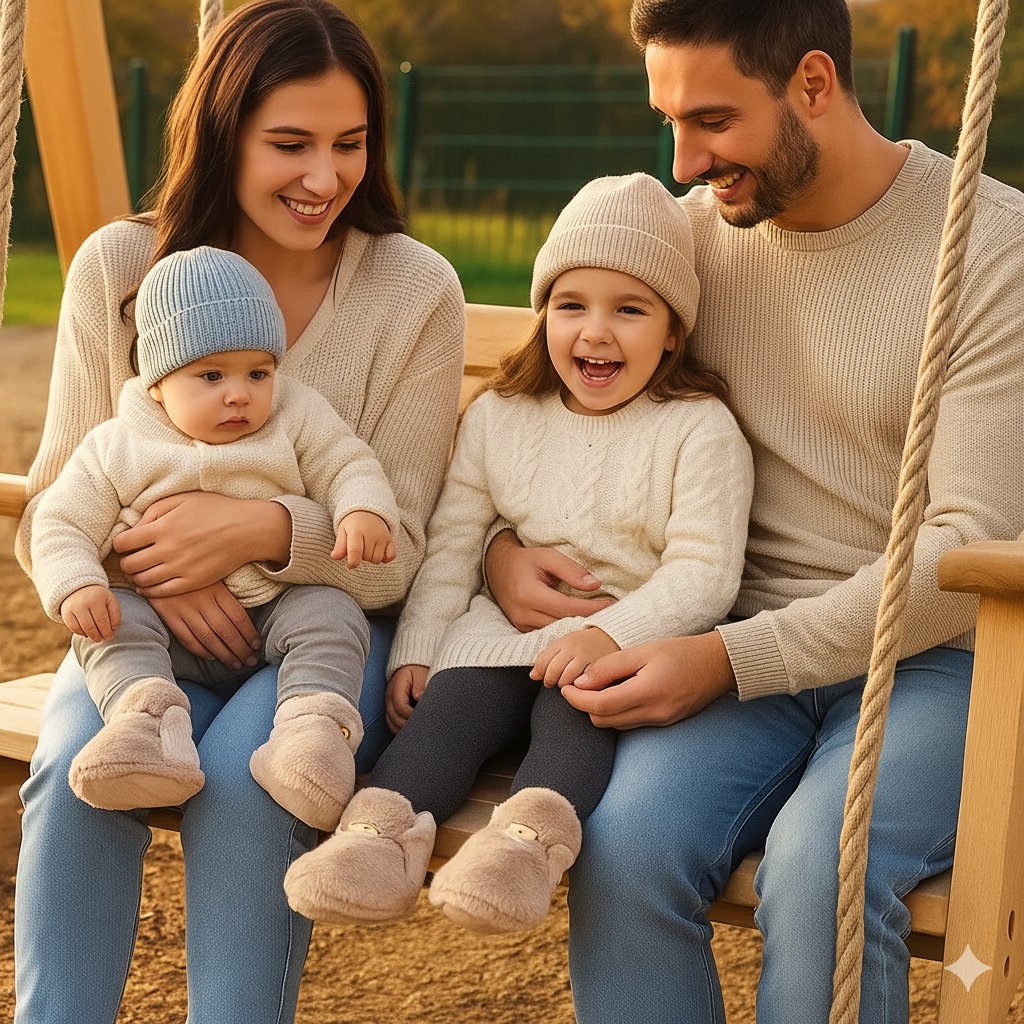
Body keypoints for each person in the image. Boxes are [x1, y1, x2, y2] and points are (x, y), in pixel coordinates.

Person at [484, 1, 1024, 1021]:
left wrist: (729, 660)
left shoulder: (989, 251)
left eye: (713, 121)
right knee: (621, 845)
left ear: (813, 84)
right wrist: (504, 551)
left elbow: (961, 548)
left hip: (945, 660)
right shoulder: (684, 248)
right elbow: (550, 422)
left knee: (825, 867)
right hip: (735, 638)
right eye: (670, 121)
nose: (683, 160)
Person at [13, 1, 464, 1021]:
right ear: (223, 136)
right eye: (289, 145)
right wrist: (156, 574)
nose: (324, 177)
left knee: (249, 776)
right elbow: (54, 504)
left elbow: (403, 554)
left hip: (323, 622)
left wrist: (265, 532)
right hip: (147, 618)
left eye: (348, 145)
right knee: (78, 758)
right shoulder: (120, 270)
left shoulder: (411, 289)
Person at [280, 172, 753, 935]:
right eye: (571, 306)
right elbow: (454, 545)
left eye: (629, 310)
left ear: (673, 330)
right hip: (493, 635)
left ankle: (520, 853)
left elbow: (705, 572)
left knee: (578, 720)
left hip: (611, 649)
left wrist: (612, 635)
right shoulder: (501, 414)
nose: (595, 333)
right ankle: (373, 842)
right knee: (448, 713)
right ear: (544, 314)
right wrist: (421, 648)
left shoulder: (698, 430)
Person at [31, 245, 400, 827]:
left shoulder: (296, 415)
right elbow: (60, 521)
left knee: (332, 613)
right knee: (110, 626)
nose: (239, 393)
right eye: (211, 375)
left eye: (259, 373)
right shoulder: (116, 445)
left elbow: (347, 462)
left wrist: (363, 511)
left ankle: (310, 729)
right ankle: (145, 722)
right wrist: (76, 584)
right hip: (161, 636)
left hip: (276, 612)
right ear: (157, 382)